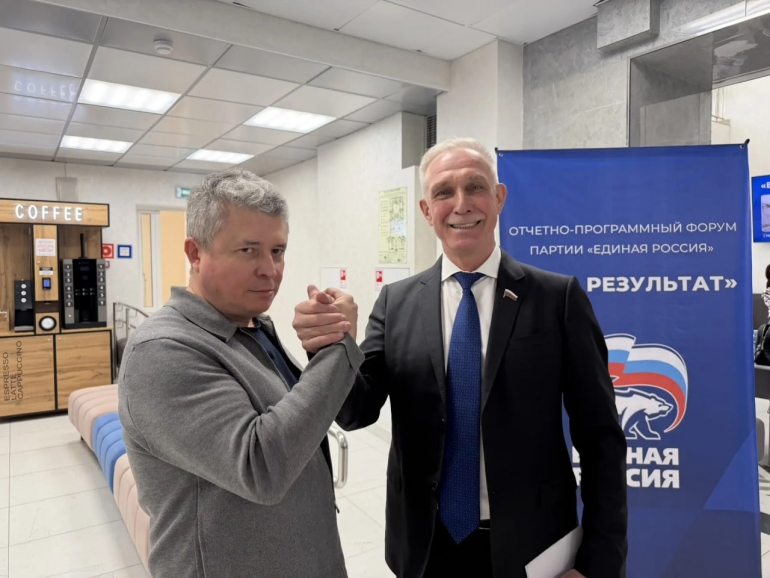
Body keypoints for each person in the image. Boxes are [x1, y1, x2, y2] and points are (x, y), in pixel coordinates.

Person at [294, 137, 628, 578]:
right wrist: (331, 346)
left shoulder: (556, 298)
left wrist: (597, 562)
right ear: (426, 210)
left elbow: (601, 436)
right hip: (425, 546)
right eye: (443, 192)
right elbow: (357, 411)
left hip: (534, 547)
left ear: (499, 197)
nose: (461, 204)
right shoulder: (396, 303)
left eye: (475, 187)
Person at [118, 168, 362, 578]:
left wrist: (320, 346)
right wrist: (340, 347)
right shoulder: (162, 350)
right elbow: (261, 466)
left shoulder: (252, 326)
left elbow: (295, 427)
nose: (270, 269)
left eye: (278, 250)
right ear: (195, 253)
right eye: (249, 250)